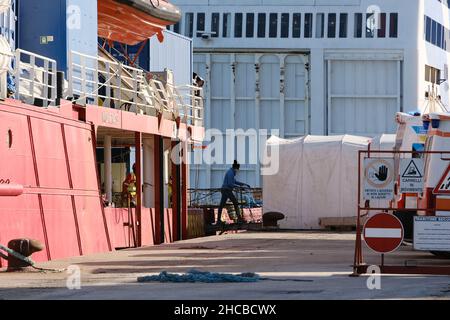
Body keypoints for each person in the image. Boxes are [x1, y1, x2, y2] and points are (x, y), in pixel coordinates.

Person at [217, 160, 251, 225]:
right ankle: (239, 218)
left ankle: (219, 220)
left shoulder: (231, 172)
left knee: (222, 205)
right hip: (226, 190)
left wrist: (244, 184)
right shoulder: (230, 173)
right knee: (235, 202)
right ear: (236, 168)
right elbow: (230, 184)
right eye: (238, 169)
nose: (238, 171)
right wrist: (240, 187)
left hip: (226, 190)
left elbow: (235, 182)